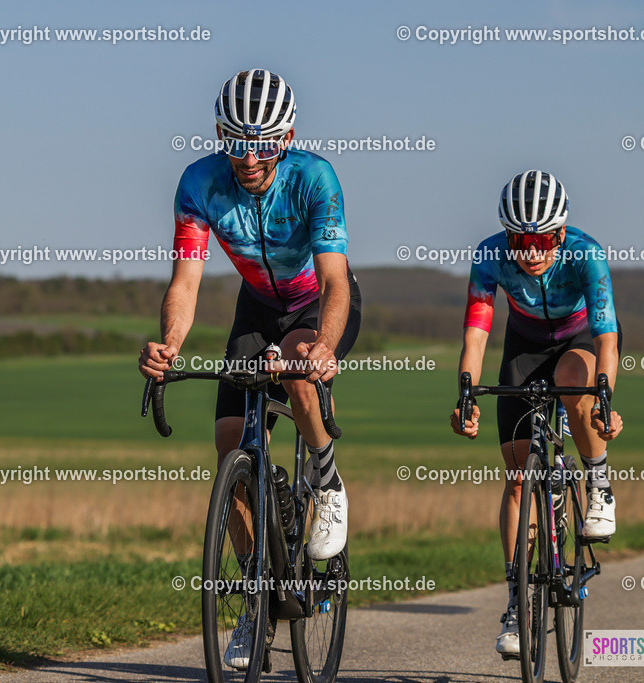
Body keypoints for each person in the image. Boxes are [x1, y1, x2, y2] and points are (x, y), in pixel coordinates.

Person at [138, 68, 362, 669]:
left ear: (285, 137)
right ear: (220, 134)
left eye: (262, 143)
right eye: (236, 141)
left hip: (318, 303)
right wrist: (169, 345)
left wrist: (324, 346)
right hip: (257, 308)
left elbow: (337, 280)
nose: (249, 157)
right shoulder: (198, 183)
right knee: (230, 448)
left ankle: (327, 474)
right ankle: (255, 606)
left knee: (295, 368)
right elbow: (185, 281)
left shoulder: (313, 178)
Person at [449, 170, 624, 657]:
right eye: (520, 239)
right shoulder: (490, 255)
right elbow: (477, 333)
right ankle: (517, 599)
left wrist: (606, 397)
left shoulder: (586, 253)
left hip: (578, 342)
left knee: (575, 379)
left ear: (561, 232)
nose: (530, 251)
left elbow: (607, 334)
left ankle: (599, 483)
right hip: (523, 347)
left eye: (542, 238)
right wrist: (465, 394)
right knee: (519, 476)